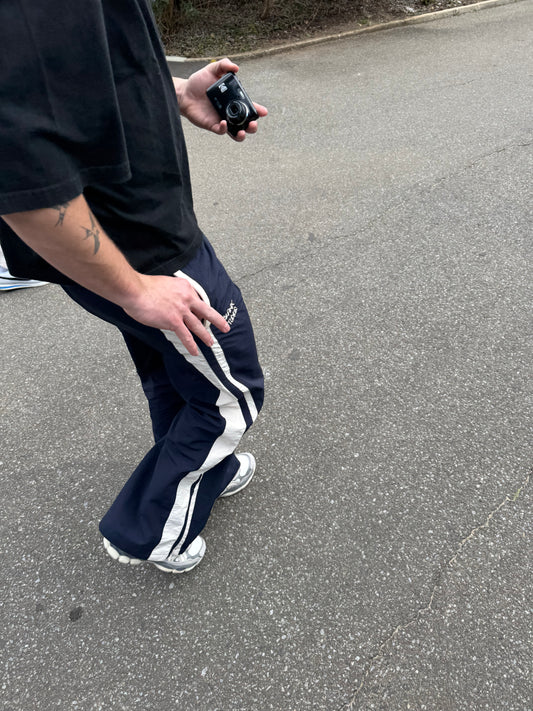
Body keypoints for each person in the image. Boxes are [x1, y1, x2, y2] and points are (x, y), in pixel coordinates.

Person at [0, 1, 267, 574]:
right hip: (142, 252)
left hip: (139, 236)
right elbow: (19, 176)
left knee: (176, 372)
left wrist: (176, 91)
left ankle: (207, 472)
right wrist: (135, 291)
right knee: (233, 394)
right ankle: (149, 531)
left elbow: (90, 69)